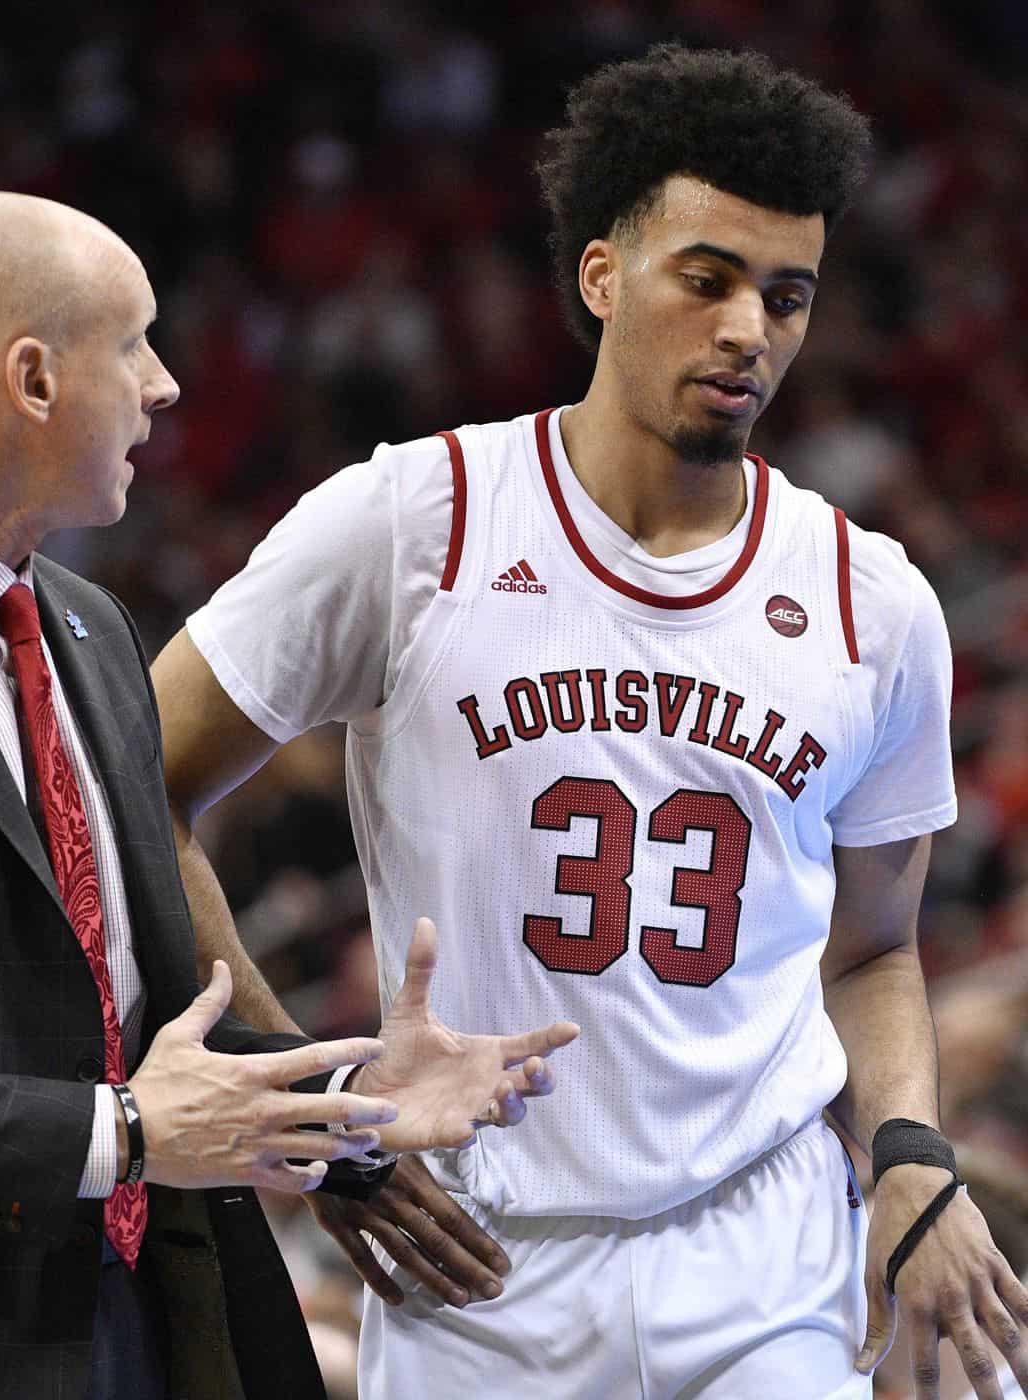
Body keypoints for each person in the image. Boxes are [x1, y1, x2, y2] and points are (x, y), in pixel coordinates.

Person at [151, 43, 1028, 1399]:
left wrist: (910, 1148)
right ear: (602, 275)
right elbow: (136, 785)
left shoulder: (877, 602)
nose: (750, 329)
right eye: (709, 279)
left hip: (765, 1248)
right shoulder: (410, 520)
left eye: (786, 296)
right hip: (471, 1252)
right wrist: (314, 1125)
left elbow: (876, 949)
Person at [0, 191, 577, 1400]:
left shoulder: (89, 630)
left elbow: (136, 1010)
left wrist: (338, 1096)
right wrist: (116, 1136)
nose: (166, 383)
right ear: (31, 378)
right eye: (133, 342)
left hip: (123, 1332)